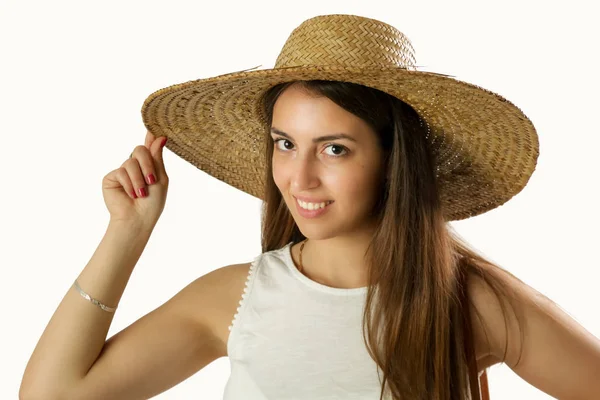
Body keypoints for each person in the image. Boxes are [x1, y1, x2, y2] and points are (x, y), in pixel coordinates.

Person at [20, 14, 600, 400]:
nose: (299, 178)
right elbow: (52, 396)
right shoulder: (234, 298)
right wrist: (126, 234)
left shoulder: (469, 300)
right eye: (285, 143)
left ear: (393, 159)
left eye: (335, 148)